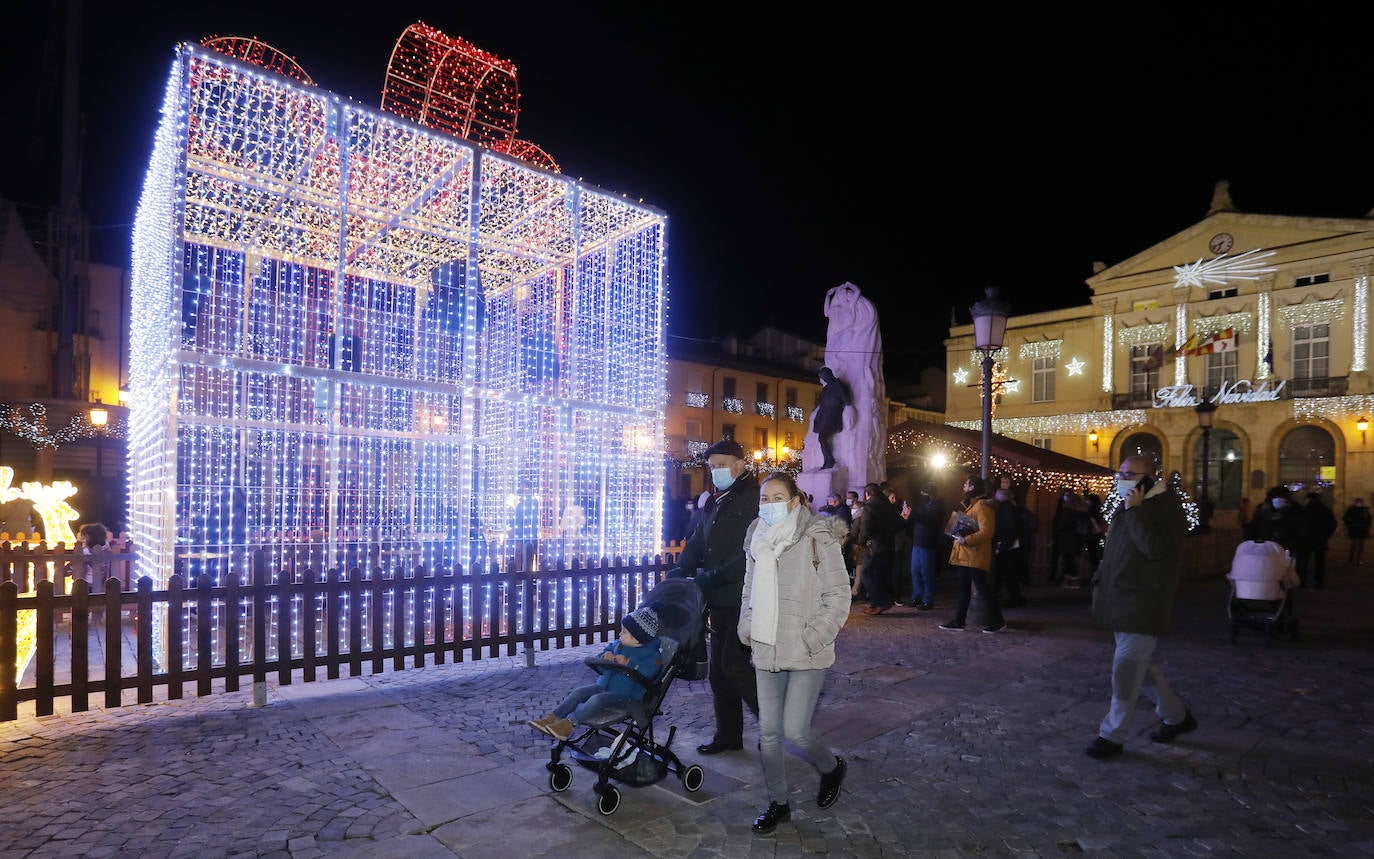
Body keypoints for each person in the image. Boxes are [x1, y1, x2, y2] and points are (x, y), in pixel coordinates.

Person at [738, 472, 850, 836]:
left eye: (777, 497)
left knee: (796, 731)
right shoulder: (757, 537)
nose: (769, 504)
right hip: (766, 644)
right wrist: (747, 626)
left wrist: (812, 637)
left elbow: (838, 597)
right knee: (769, 733)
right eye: (764, 498)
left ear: (796, 499)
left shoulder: (818, 536)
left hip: (805, 650)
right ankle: (778, 802)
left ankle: (831, 768)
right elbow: (748, 590)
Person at [1085, 454, 1195, 760]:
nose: (1121, 478)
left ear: (1149, 478)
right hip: (1119, 599)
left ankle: (1112, 734)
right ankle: (1177, 717)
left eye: (1129, 473)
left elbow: (1155, 548)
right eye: (1119, 472)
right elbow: (1117, 551)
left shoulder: (1164, 508)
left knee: (1126, 668)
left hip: (1144, 601)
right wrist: (1100, 579)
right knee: (1140, 668)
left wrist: (1135, 512)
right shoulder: (1127, 506)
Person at [667, 438, 760, 755]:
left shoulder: (754, 500)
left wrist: (716, 576)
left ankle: (778, 728)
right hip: (716, 598)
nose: (715, 471)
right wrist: (680, 570)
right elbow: (697, 541)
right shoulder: (715, 501)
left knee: (734, 665)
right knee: (720, 674)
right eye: (712, 466)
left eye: (721, 465)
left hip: (741, 595)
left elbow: (751, 551)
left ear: (740, 465)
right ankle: (729, 735)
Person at [527, 604, 665, 741]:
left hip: (626, 697)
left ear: (637, 638)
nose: (619, 634)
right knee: (579, 692)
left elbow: (650, 672)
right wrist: (605, 656)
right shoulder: (618, 645)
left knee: (596, 699)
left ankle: (568, 725)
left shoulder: (651, 655)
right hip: (603, 687)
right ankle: (552, 718)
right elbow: (603, 654)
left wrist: (630, 664)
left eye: (624, 632)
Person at [939, 475, 1006, 633]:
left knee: (982, 588)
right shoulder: (973, 506)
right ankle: (959, 621)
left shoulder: (982, 506)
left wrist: (967, 540)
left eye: (966, 485)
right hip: (967, 555)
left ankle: (998, 621)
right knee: (963, 589)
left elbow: (987, 531)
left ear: (972, 488)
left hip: (975, 555)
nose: (963, 487)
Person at [856, 482, 899, 615]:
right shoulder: (887, 505)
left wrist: (861, 542)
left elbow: (866, 527)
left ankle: (880, 602)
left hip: (874, 546)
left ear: (867, 494)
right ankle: (877, 604)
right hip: (888, 544)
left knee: (866, 572)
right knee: (878, 574)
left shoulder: (869, 507)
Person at [990, 477, 1028, 608]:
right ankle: (1009, 595)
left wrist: (1002, 545)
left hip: (1005, 545)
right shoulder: (1010, 508)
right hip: (1008, 545)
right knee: (1005, 573)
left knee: (1007, 572)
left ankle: (1012, 597)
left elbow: (1009, 528)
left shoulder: (1005, 509)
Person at [907, 482, 945, 610]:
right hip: (917, 542)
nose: (921, 494)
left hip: (928, 543)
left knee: (926, 573)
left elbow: (931, 521)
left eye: (924, 492)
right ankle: (916, 596)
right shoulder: (922, 505)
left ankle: (928, 600)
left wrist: (913, 514)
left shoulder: (937, 506)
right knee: (915, 571)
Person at [812, 367, 853, 470]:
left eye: (824, 377)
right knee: (821, 438)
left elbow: (847, 401)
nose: (823, 380)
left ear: (828, 375)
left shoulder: (839, 386)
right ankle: (827, 460)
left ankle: (830, 460)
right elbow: (823, 405)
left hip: (833, 416)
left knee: (822, 437)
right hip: (825, 417)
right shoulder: (826, 389)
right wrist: (818, 418)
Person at [1298, 493, 1337, 589]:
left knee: (1303, 561)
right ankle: (1319, 582)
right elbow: (1333, 524)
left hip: (1305, 540)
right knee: (1320, 561)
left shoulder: (1303, 510)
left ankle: (1302, 581)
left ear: (1308, 499)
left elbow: (1297, 525)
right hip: (1320, 539)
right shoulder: (1325, 510)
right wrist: (1326, 535)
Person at [1050, 488, 1085, 585]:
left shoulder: (1067, 512)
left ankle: (1069, 578)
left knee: (1068, 559)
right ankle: (1069, 577)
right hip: (1073, 539)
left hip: (1066, 539)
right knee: (1069, 559)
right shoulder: (1077, 512)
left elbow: (1062, 524)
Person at [1344, 497, 1371, 565]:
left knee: (1360, 545)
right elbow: (1345, 518)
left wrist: (1367, 525)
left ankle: (1359, 560)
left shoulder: (1364, 510)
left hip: (1362, 529)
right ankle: (1352, 558)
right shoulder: (1351, 509)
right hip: (1354, 529)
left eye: (1360, 502)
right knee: (1354, 544)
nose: (1359, 503)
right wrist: (1350, 524)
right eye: (1357, 502)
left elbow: (1369, 519)